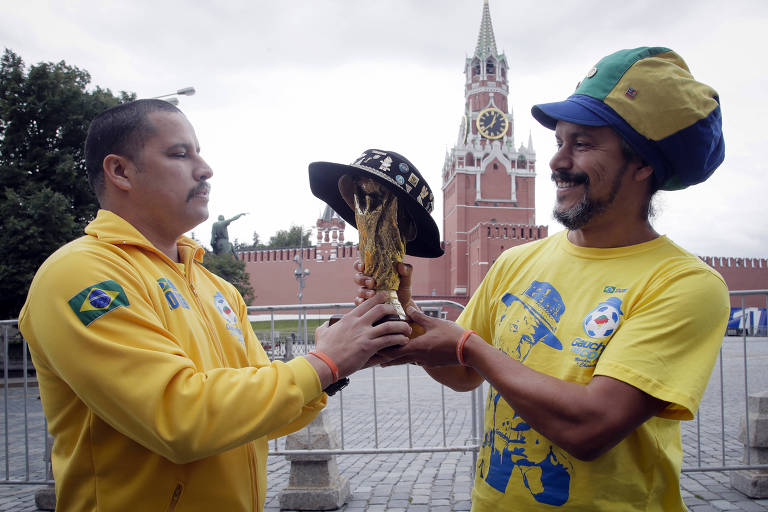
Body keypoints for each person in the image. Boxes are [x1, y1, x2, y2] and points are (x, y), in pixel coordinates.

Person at [355, 47, 729, 510]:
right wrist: (407, 317)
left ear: (643, 163)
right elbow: (461, 373)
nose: (557, 162)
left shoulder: (684, 284)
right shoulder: (516, 262)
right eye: (559, 142)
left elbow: (589, 429)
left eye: (584, 144)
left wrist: (466, 345)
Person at [18, 99, 411, 511]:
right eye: (179, 153)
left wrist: (340, 362)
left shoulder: (216, 287)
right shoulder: (81, 275)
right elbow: (179, 419)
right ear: (120, 171)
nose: (205, 169)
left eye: (199, 152)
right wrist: (324, 363)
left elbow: (266, 410)